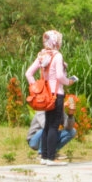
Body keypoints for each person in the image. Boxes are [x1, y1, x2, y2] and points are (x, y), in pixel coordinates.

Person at [25, 30, 76, 166]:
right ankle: (51, 158)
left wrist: (35, 88)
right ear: (56, 42)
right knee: (53, 126)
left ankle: (45, 156)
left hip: (45, 96)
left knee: (48, 125)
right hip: (56, 94)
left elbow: (29, 73)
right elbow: (59, 76)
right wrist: (68, 82)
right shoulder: (57, 56)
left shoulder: (42, 56)